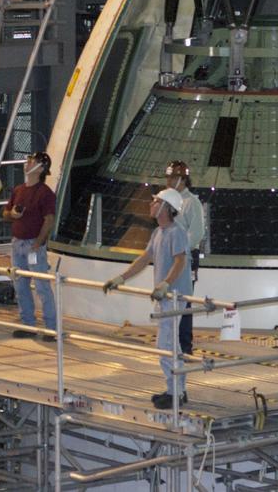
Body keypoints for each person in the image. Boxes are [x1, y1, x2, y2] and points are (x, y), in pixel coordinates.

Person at [101, 189, 192, 409]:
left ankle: (175, 394)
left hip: (173, 295)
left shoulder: (176, 232)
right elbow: (145, 258)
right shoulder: (158, 232)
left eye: (156, 201)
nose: (151, 204)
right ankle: (177, 391)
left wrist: (165, 284)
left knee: (166, 345)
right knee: (171, 345)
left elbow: (180, 261)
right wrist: (121, 278)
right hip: (165, 295)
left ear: (166, 208)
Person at [5, 151, 57, 341]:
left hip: (32, 245)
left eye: (31, 161)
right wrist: (12, 214)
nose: (27, 163)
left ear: (41, 168)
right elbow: (6, 213)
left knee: (42, 286)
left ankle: (51, 328)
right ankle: (28, 324)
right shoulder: (18, 190)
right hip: (17, 243)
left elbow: (49, 219)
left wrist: (37, 243)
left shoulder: (45, 193)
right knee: (20, 286)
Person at [165, 160, 206, 355]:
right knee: (171, 300)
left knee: (184, 301)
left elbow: (196, 233)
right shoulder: (168, 200)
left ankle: (184, 346)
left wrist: (178, 250)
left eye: (173, 177)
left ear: (182, 179)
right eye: (168, 177)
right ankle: (171, 344)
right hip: (173, 256)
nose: (169, 180)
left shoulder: (192, 203)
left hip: (186, 257)